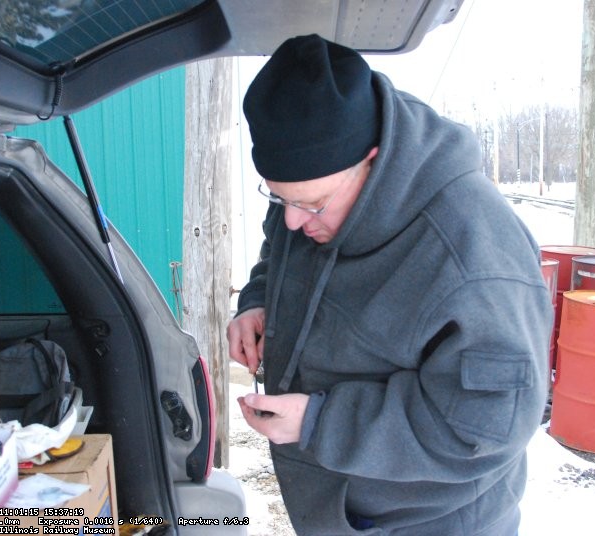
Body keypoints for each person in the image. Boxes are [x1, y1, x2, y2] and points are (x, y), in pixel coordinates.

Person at [227, 34, 552, 536]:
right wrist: (257, 302)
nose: (292, 222)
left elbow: (485, 426)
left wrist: (321, 423)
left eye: (310, 204)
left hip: (431, 520)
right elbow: (283, 252)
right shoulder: (314, 197)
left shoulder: (473, 255)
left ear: (374, 162)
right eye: (277, 199)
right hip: (344, 505)